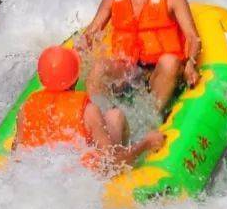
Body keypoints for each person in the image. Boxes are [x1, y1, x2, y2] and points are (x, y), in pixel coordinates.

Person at [78, 0, 201, 120]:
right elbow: (89, 35)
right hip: (128, 73)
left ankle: (150, 122)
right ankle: (102, 124)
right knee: (99, 68)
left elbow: (193, 38)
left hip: (160, 72)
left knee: (170, 62)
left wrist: (191, 64)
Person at [16, 44, 161, 173]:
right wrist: (145, 143)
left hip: (39, 175)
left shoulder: (25, 108)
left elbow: (17, 156)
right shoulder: (88, 111)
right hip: (82, 180)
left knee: (111, 116)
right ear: (76, 78)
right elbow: (112, 163)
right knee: (115, 116)